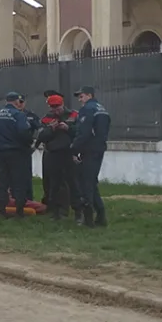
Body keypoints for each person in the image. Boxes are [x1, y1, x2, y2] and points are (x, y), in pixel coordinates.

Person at [0, 92, 33, 218]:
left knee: (2, 182)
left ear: (6, 101)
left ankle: (1, 209)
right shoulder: (18, 115)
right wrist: (28, 144)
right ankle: (19, 210)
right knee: (18, 181)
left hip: (0, 153)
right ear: (17, 102)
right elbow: (24, 131)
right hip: (16, 153)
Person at [37, 93, 82, 221]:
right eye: (52, 107)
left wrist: (68, 128)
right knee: (54, 185)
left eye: (57, 106)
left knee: (73, 183)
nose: (55, 109)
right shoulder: (46, 118)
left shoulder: (73, 115)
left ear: (62, 104)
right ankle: (57, 211)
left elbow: (80, 132)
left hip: (68, 153)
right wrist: (51, 129)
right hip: (52, 154)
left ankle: (78, 211)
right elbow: (41, 136)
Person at [70, 86, 111, 227]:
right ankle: (101, 216)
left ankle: (89, 220)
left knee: (86, 184)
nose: (80, 100)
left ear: (89, 95)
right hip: (99, 148)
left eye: (82, 96)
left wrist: (74, 149)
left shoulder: (87, 109)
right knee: (91, 182)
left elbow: (84, 132)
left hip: (89, 149)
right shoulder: (102, 109)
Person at [19, 95, 41, 200]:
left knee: (26, 175)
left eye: (21, 102)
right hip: (12, 148)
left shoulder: (30, 116)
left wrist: (35, 146)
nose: (20, 104)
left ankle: (28, 199)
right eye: (18, 102)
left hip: (25, 149)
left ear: (25, 102)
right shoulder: (10, 115)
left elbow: (41, 130)